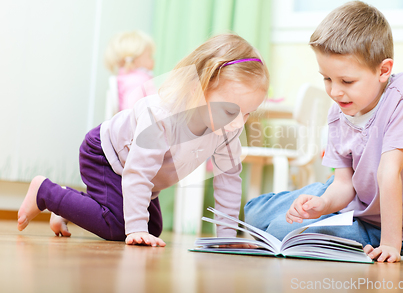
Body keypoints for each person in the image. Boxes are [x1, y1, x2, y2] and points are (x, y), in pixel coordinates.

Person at [17, 33, 270, 247]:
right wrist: (134, 228)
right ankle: (46, 192)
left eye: (248, 113)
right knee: (119, 227)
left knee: (153, 228)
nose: (239, 122)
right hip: (106, 154)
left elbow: (228, 182)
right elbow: (138, 172)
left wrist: (225, 239)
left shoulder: (229, 128)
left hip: (137, 171)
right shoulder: (162, 116)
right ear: (198, 89)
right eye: (230, 111)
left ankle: (70, 203)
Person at [244, 1, 403, 263]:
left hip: (380, 228)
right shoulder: (338, 111)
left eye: (347, 81)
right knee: (253, 212)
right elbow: (344, 183)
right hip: (348, 203)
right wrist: (323, 205)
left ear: (383, 70)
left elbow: (389, 172)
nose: (334, 92)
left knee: (281, 230)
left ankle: (314, 227)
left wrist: (390, 244)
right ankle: (320, 215)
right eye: (327, 78)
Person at [104, 30, 156, 111]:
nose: (153, 60)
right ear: (137, 61)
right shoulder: (138, 81)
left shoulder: (126, 78)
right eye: (149, 56)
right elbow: (131, 111)